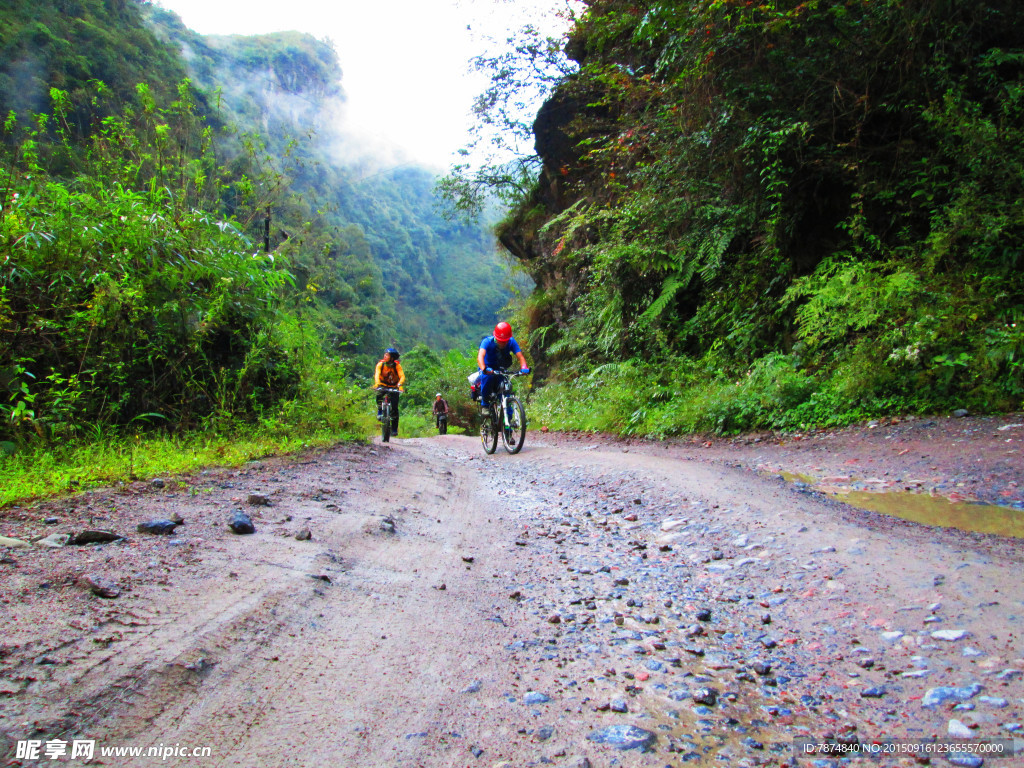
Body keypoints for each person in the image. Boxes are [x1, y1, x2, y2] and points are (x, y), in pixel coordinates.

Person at [477, 321, 530, 411]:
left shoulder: (511, 342)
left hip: (501, 369)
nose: (503, 343)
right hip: (488, 368)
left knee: (506, 389)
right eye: (500, 341)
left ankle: (508, 419)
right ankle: (485, 404)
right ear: (495, 337)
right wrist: (484, 368)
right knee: (487, 378)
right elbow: (480, 356)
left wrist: (524, 367)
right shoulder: (487, 342)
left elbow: (520, 357)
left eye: (505, 341)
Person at [373, 348, 405, 434]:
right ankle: (380, 410)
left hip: (394, 387)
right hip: (382, 385)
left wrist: (400, 384)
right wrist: (377, 383)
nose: (385, 356)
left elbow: (402, 376)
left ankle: (394, 429)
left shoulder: (397, 366)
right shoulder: (381, 364)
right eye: (385, 354)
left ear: (392, 358)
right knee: (379, 396)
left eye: (387, 355)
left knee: (394, 408)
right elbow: (377, 374)